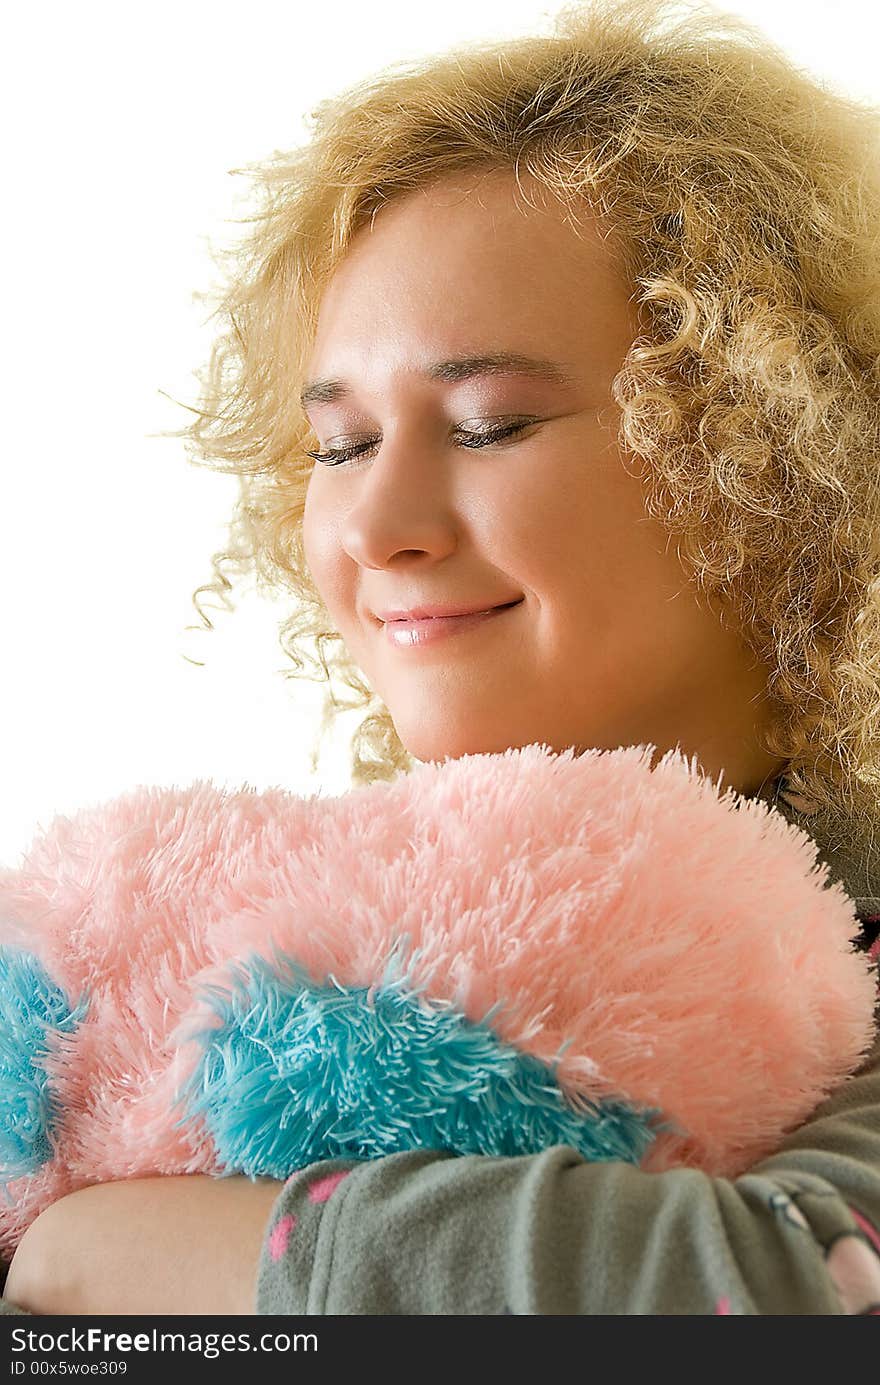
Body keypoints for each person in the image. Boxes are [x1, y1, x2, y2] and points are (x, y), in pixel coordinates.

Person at [4, 0, 880, 1314]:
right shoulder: (279, 943)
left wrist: (87, 1253)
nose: (376, 525)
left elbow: (787, 1286)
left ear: (769, 458)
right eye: (340, 445)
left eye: (488, 423)